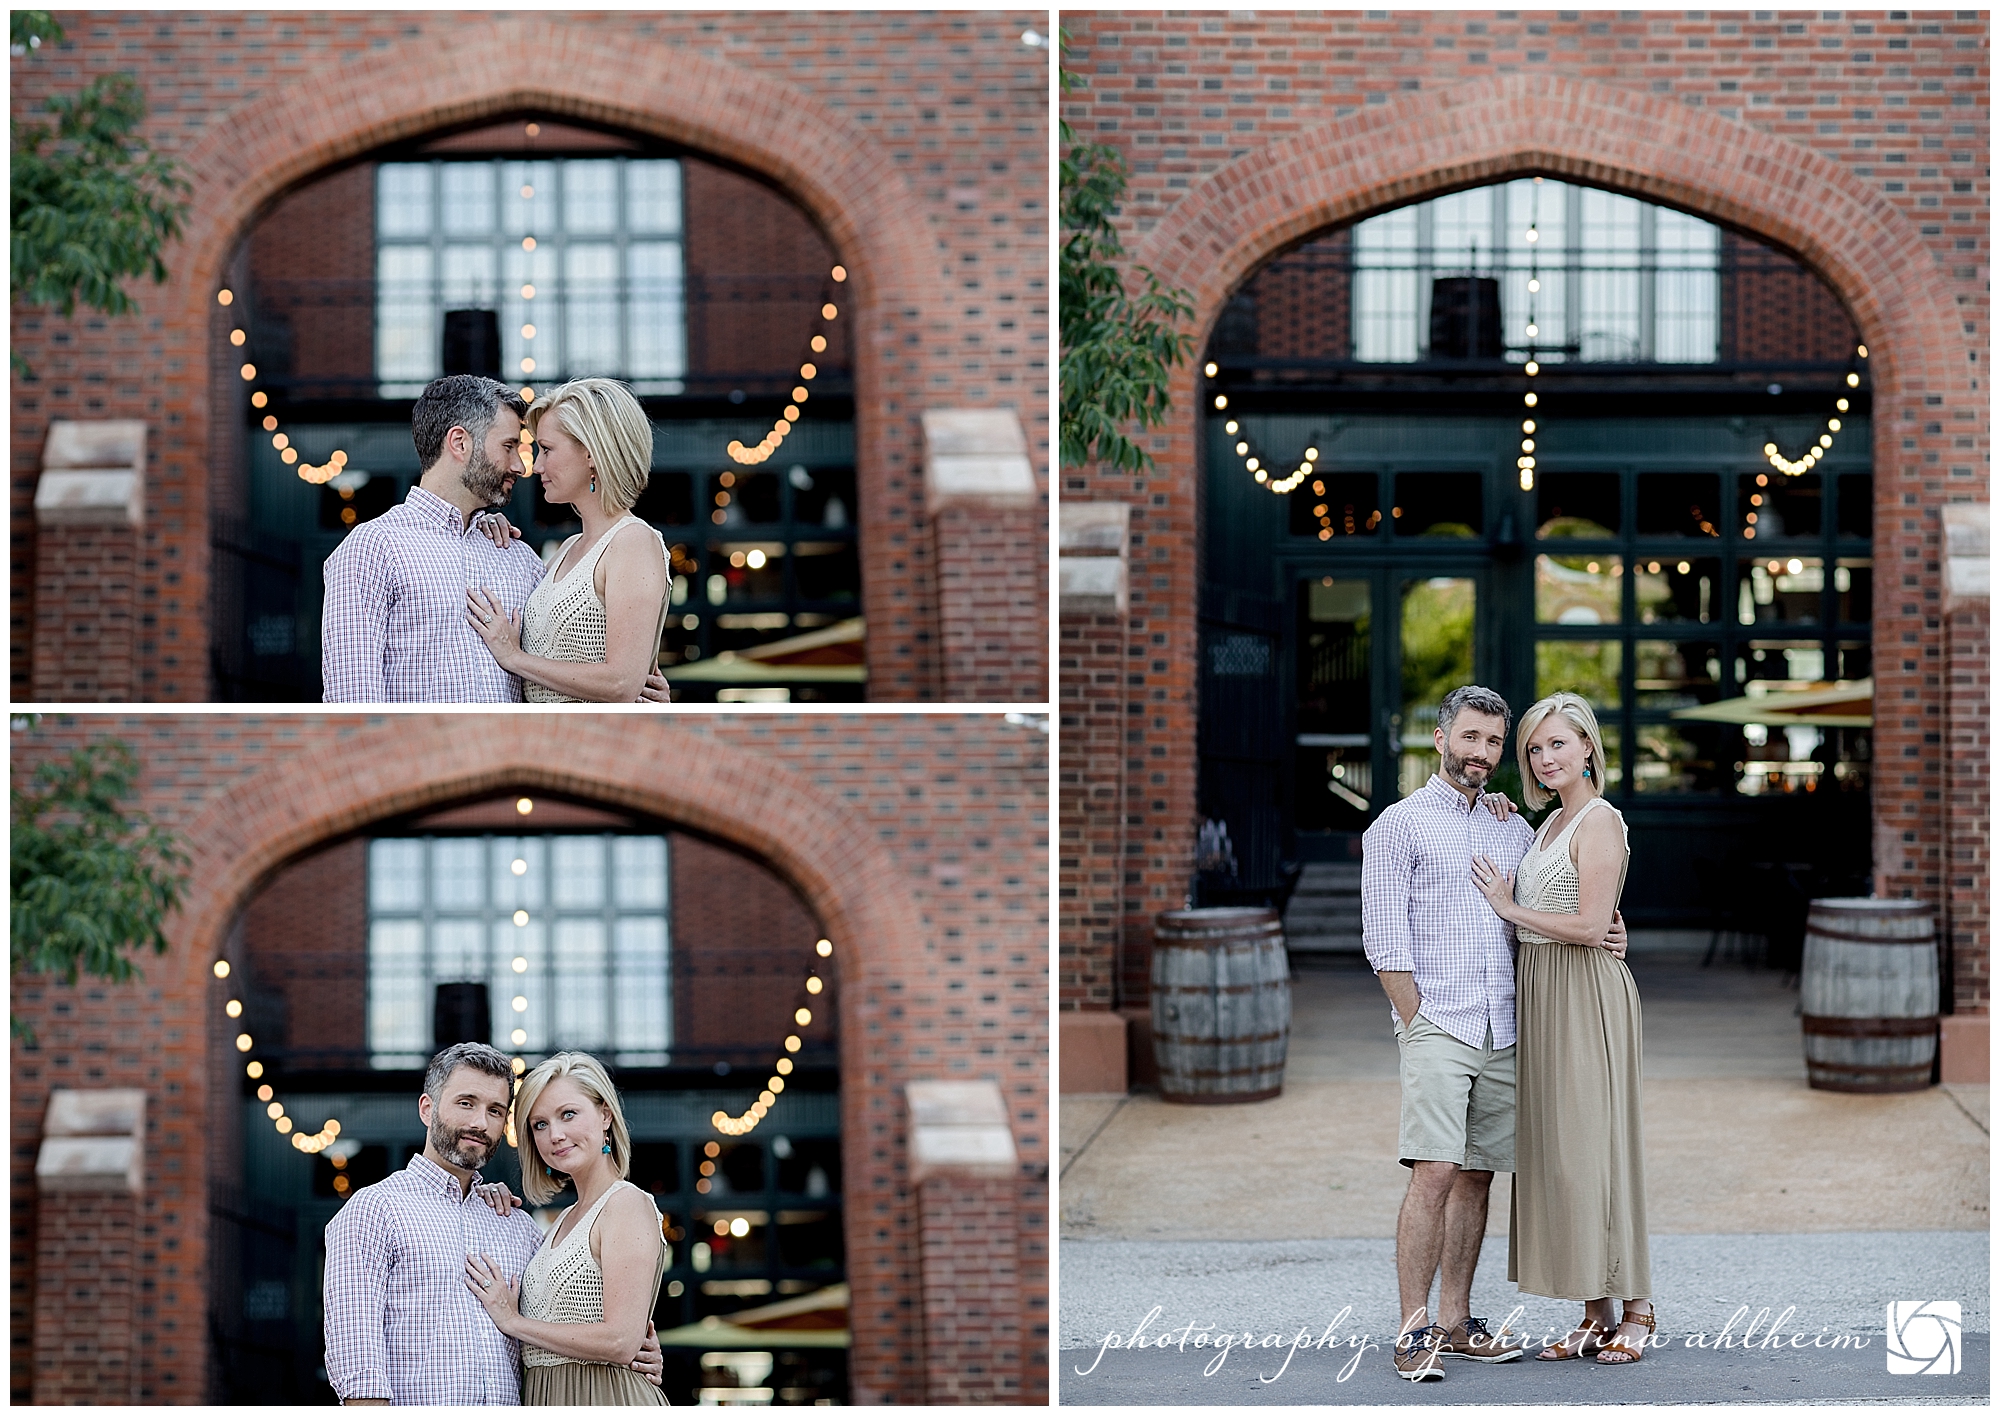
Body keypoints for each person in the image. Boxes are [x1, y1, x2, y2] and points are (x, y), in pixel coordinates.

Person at [1362, 684, 1628, 1381]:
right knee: (1435, 1171)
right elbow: (1385, 942)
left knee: (1479, 1175)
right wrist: (1418, 1023)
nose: (1481, 753)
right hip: (1440, 1023)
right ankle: (1412, 1327)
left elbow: (1564, 899)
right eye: (1469, 738)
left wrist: (1613, 931)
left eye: (1492, 742)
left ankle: (1456, 1319)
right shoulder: (1399, 825)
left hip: (1505, 1025)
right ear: (1441, 739)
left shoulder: (1515, 827)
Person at [322, 1042, 663, 1404]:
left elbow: (578, 1322)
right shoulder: (374, 1211)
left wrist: (639, 1349)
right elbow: (358, 1364)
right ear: (427, 1108)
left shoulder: (518, 1226)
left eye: (496, 1110)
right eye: (466, 1103)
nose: (479, 1123)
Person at [1472, 691, 1654, 1366]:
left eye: (1558, 744)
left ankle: (1638, 1308)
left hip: (1585, 993)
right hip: (1544, 995)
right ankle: (1594, 1311)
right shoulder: (1546, 825)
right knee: (1563, 1157)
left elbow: (1586, 925)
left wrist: (1507, 907)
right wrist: (1499, 812)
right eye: (1535, 748)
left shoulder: (1600, 820)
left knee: (1598, 1149)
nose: (1546, 757)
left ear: (1587, 747)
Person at [322, 375, 546, 702]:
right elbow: (354, 703)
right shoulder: (373, 548)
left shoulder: (518, 557)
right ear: (459, 442)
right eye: (509, 446)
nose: (520, 466)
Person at [464, 1051, 670, 1405]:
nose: (555, 1135)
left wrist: (513, 1322)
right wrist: (477, 1192)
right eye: (540, 1124)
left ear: (605, 1114)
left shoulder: (626, 1204)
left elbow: (621, 1342)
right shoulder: (561, 1222)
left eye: (568, 1114)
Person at [466, 378, 672, 703]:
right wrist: (485, 524)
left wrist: (514, 657)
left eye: (546, 449)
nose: (537, 466)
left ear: (591, 453)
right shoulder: (566, 550)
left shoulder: (633, 541)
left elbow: (621, 684)